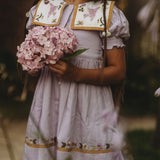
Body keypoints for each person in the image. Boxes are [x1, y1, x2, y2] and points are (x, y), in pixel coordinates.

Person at [23, 0, 130, 159]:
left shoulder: (106, 14)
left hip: (88, 108)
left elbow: (118, 71)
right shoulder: (43, 8)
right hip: (48, 105)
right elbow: (30, 61)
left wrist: (76, 73)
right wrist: (32, 62)